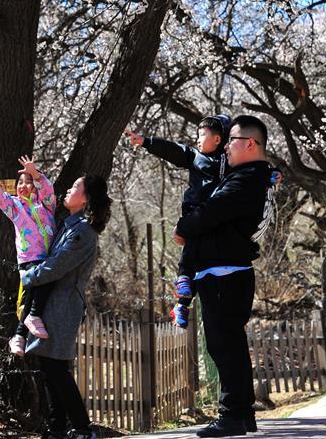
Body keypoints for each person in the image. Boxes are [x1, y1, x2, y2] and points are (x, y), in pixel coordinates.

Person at [174, 115, 280, 437]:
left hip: (224, 273)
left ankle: (231, 414)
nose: (226, 148)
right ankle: (243, 414)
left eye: (232, 141)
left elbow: (212, 210)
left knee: (223, 345)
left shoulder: (247, 178)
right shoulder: (253, 176)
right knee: (229, 343)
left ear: (250, 144)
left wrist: (184, 227)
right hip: (227, 272)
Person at [21, 175, 112, 439]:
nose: (69, 190)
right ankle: (57, 429)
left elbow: (58, 266)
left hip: (64, 306)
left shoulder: (83, 232)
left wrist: (28, 276)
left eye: (75, 187)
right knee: (50, 367)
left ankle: (83, 428)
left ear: (86, 199)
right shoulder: (68, 225)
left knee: (56, 368)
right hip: (53, 304)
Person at [125, 114, 232, 328]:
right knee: (191, 250)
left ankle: (184, 303)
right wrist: (146, 142)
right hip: (195, 213)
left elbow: (251, 169)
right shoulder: (195, 156)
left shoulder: (230, 159)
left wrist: (270, 173)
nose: (197, 140)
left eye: (202, 135)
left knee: (206, 260)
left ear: (217, 139)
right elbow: (173, 150)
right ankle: (183, 285)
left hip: (217, 219)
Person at [0, 154, 56, 357]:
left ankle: (19, 336)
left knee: (34, 295)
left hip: (47, 257)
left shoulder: (47, 205)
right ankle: (29, 323)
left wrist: (35, 173)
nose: (23, 186)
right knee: (30, 295)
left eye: (28, 182)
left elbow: (47, 189)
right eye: (20, 182)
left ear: (35, 187)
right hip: (29, 259)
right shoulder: (15, 207)